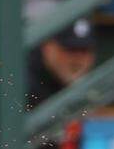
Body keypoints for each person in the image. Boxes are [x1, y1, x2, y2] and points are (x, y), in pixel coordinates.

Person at [28, 19, 97, 149]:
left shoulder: (79, 86)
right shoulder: (22, 86)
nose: (78, 60)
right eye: (70, 49)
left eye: (84, 50)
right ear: (48, 48)